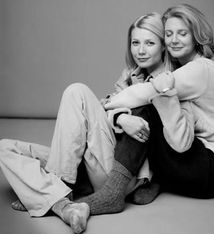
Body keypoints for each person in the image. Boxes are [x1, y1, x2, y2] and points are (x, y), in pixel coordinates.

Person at [65, 3, 214, 232]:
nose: (174, 40)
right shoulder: (183, 70)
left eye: (182, 33)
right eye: (169, 34)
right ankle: (151, 182)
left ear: (197, 36)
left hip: (210, 170)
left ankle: (113, 193)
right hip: (198, 166)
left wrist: (102, 105)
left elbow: (144, 93)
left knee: (149, 104)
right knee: (156, 102)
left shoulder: (201, 69)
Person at [0, 12, 167, 234]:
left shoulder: (167, 84)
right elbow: (105, 106)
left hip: (119, 173)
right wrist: (120, 117)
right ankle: (59, 202)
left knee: (76, 91)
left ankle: (52, 192)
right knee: (4, 148)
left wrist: (117, 113)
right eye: (135, 42)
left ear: (164, 46)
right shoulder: (131, 75)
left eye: (150, 43)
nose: (141, 50)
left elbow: (154, 136)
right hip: (93, 160)